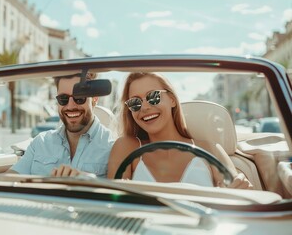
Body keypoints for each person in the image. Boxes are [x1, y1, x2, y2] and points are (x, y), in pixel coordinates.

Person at [107, 72, 253, 189]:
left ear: (172, 99)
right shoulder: (126, 148)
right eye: (135, 102)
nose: (144, 107)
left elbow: (241, 198)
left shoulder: (211, 150)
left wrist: (242, 189)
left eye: (153, 97)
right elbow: (111, 204)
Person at [9, 73, 115, 178]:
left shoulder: (113, 148)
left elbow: (119, 192)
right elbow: (8, 179)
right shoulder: (40, 142)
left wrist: (92, 182)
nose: (70, 106)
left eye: (79, 97)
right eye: (63, 98)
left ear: (95, 99)